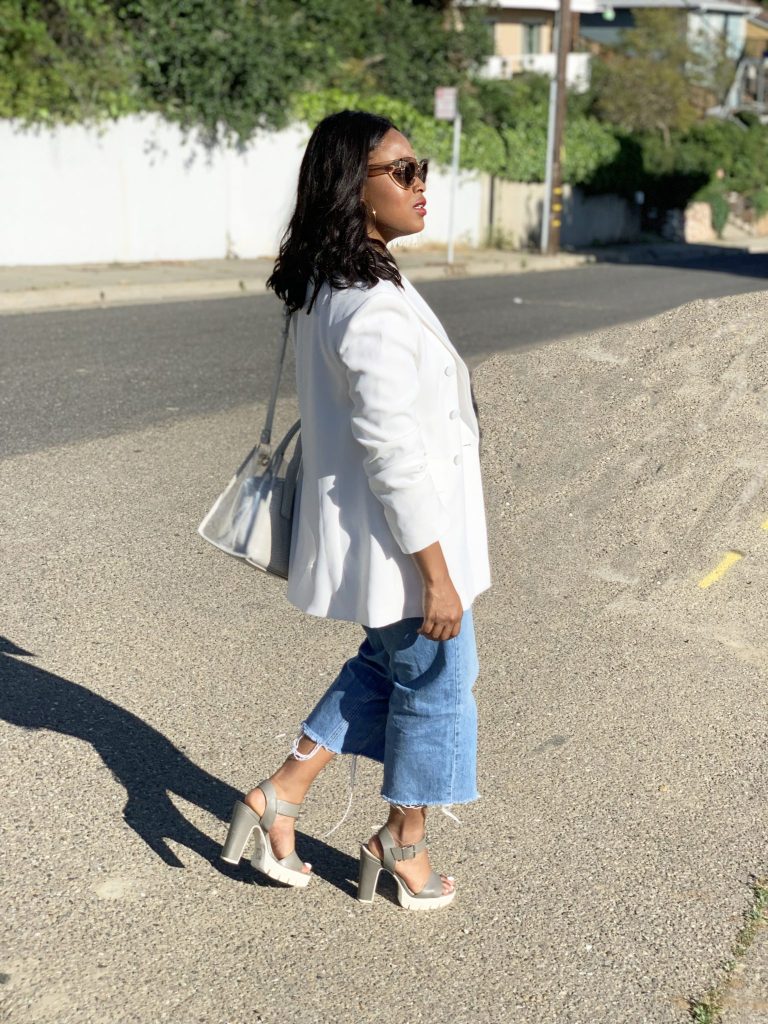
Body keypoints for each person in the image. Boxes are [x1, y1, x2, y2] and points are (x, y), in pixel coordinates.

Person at [220, 110, 491, 910]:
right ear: (354, 187)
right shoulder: (365, 304)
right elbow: (392, 454)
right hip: (403, 548)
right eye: (401, 172)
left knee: (390, 665)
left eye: (421, 168)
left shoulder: (339, 283)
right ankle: (402, 846)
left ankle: (280, 794)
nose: (421, 185)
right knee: (440, 679)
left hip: (381, 546)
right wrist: (437, 576)